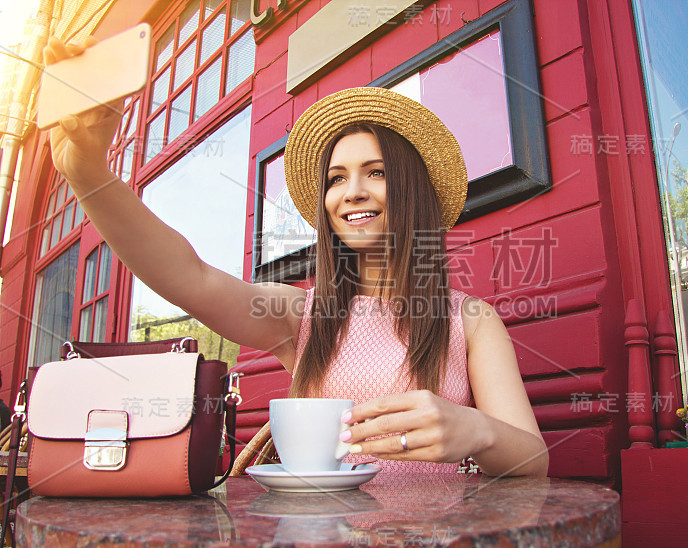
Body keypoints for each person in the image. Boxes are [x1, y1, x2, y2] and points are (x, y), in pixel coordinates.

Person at [44, 36, 548, 477]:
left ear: (412, 188)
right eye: (336, 178)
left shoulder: (471, 320)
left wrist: (477, 430)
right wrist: (89, 174)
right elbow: (187, 276)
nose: (350, 192)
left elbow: (535, 460)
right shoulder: (298, 314)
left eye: (375, 172)